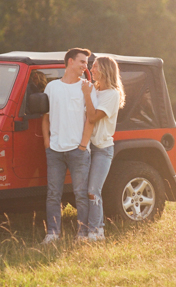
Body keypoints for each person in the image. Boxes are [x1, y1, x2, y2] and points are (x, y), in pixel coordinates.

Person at [41, 48, 93, 244]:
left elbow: (91, 119)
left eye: (86, 63)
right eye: (82, 62)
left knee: (81, 194)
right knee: (53, 194)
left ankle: (82, 234)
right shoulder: (51, 87)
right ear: (70, 62)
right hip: (54, 150)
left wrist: (83, 145)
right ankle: (52, 234)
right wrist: (47, 142)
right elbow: (45, 118)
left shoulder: (86, 87)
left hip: (77, 151)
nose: (84, 66)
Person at [80, 56, 125, 241]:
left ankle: (98, 231)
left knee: (93, 190)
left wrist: (86, 94)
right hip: (88, 148)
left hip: (103, 149)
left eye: (96, 67)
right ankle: (88, 229)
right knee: (84, 190)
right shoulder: (96, 91)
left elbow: (92, 117)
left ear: (105, 70)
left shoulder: (112, 94)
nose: (92, 70)